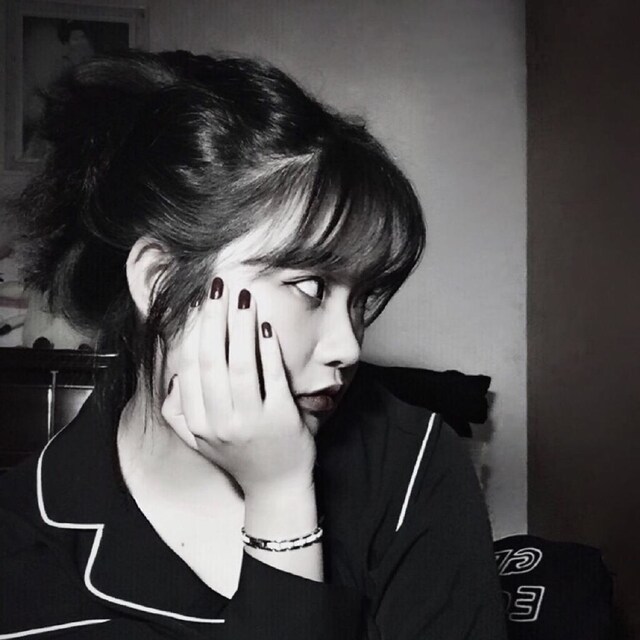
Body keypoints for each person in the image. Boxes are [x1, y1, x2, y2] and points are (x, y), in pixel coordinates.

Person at [0, 50, 507, 638]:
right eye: (310, 286)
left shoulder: (415, 464)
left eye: (361, 298)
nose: (347, 346)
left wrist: (282, 499)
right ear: (160, 281)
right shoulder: (22, 543)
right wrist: (280, 504)